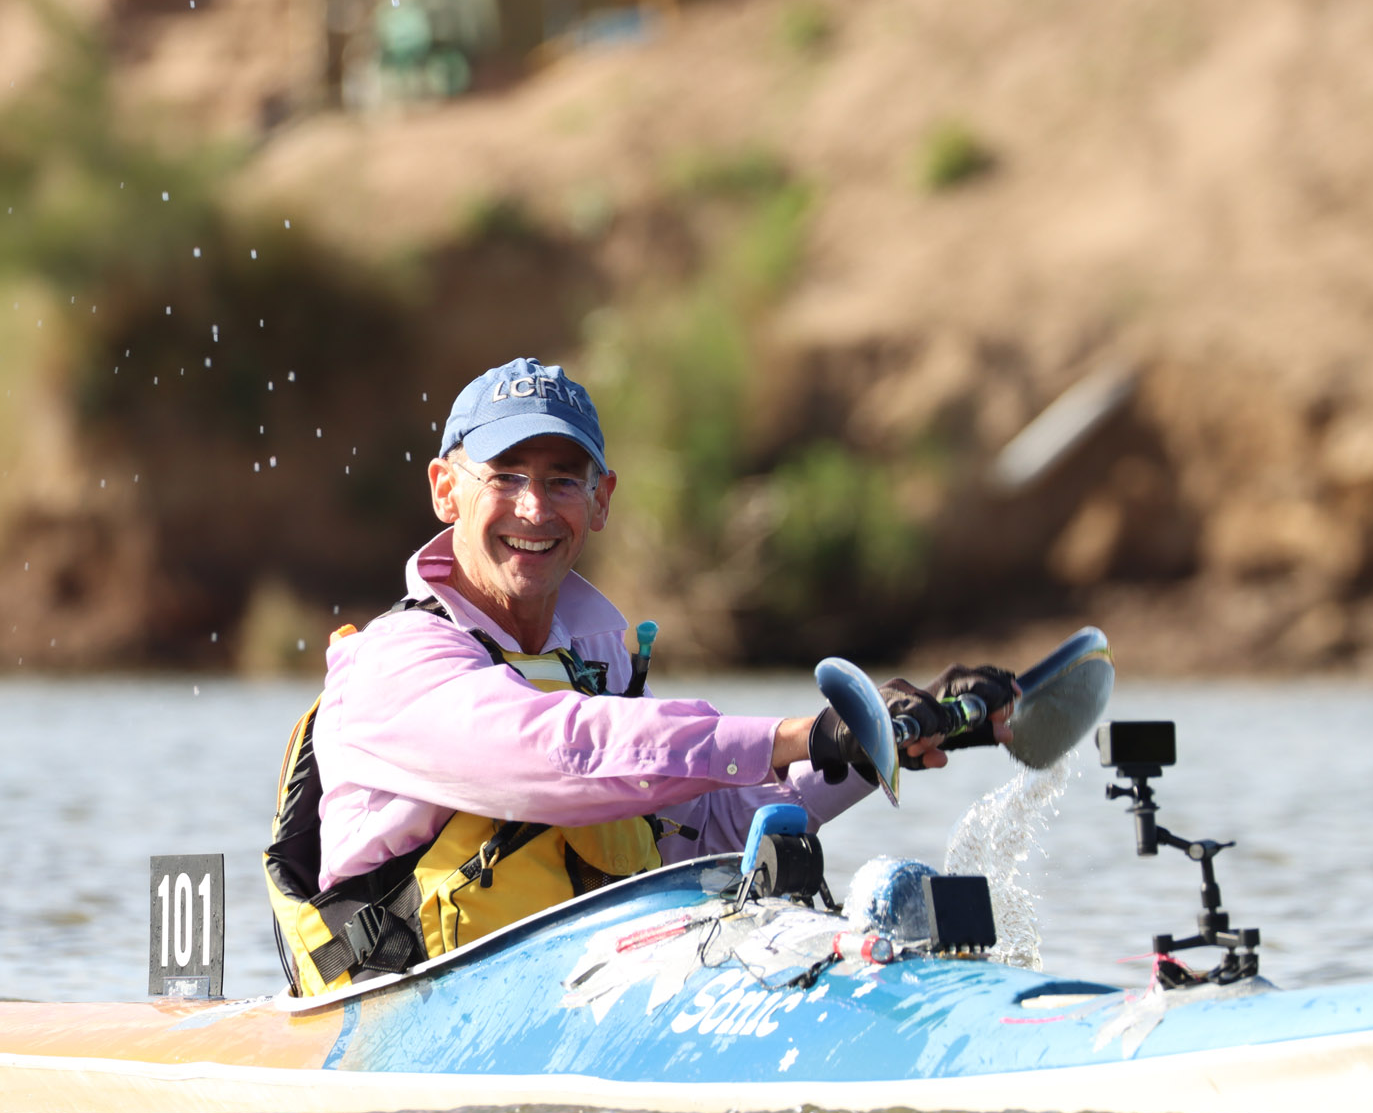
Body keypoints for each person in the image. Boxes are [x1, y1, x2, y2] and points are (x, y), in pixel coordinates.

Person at [263, 357, 1018, 996]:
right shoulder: (396, 663)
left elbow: (711, 825)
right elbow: (558, 754)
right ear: (444, 488)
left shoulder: (595, 664)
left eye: (563, 480)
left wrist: (868, 741)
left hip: (577, 1004)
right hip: (419, 1055)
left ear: (601, 500)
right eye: (505, 475)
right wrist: (795, 732)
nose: (534, 506)